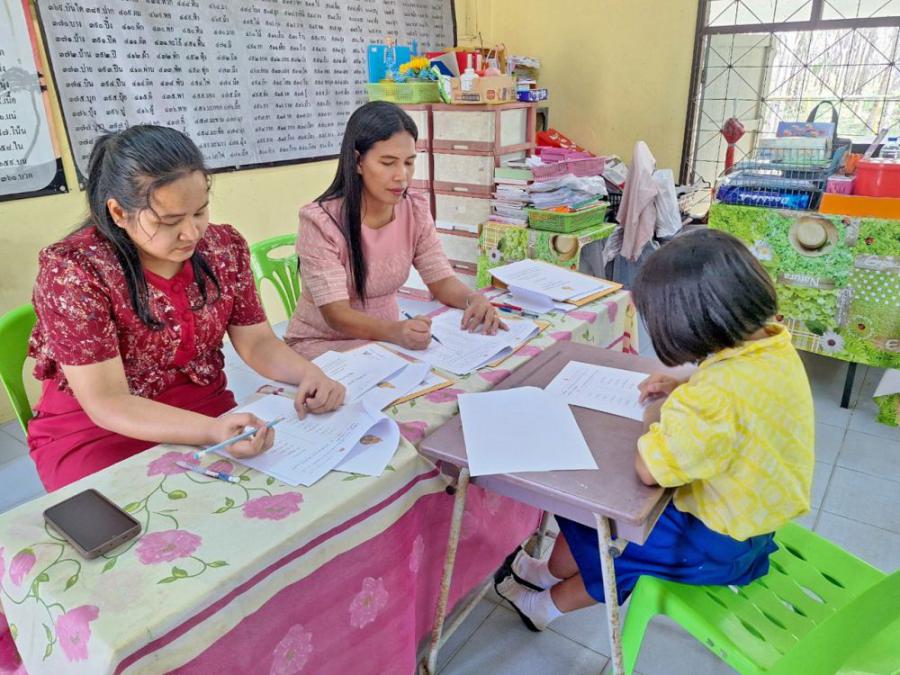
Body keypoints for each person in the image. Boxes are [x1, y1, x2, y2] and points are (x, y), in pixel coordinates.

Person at [493, 229, 815, 631]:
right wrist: (684, 383)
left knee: (606, 527)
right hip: (753, 521)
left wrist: (658, 410)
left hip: (717, 545)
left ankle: (543, 606)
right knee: (600, 518)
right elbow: (737, 396)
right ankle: (547, 574)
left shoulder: (715, 396)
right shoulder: (774, 345)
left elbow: (649, 469)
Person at [27, 125, 345, 491]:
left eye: (199, 212)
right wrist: (211, 431)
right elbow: (107, 400)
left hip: (204, 407)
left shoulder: (223, 248)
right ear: (118, 212)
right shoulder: (75, 270)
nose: (192, 233)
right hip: (98, 430)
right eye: (169, 221)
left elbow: (257, 341)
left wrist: (308, 374)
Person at [284, 101, 505, 359]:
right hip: (325, 346)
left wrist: (473, 299)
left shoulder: (415, 209)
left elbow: (441, 280)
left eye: (409, 162)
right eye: (388, 163)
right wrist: (395, 332)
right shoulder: (320, 222)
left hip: (384, 343)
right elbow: (336, 314)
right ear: (357, 161)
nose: (402, 176)